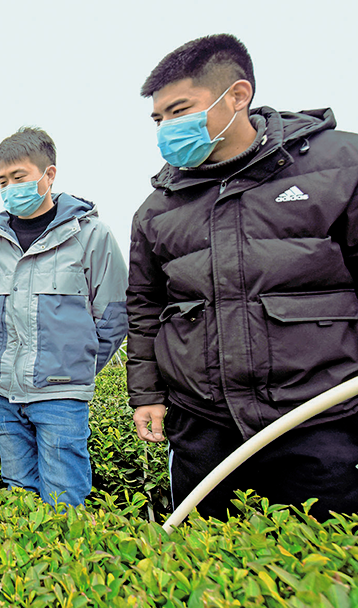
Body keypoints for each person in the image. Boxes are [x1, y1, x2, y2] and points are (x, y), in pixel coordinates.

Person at [128, 34, 358, 519]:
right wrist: (146, 395)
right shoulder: (157, 208)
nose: (168, 127)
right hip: (204, 427)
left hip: (320, 420)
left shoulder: (340, 167)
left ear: (237, 96)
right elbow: (146, 308)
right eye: (159, 118)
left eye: (180, 110)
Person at [0, 127, 128, 508]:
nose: (11, 188)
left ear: (49, 175)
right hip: (1, 394)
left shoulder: (90, 236)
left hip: (60, 395)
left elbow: (113, 315)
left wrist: (76, 367)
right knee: (18, 499)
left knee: (65, 499)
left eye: (19, 177)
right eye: (3, 181)